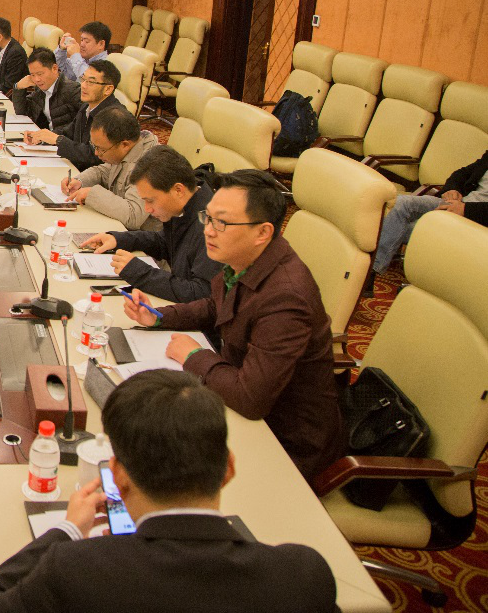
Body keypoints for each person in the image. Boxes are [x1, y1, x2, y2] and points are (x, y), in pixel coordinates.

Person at [0, 369, 336, 613]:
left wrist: (68, 530)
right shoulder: (303, 576)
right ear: (229, 468)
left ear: (118, 477)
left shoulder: (76, 569)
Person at [122, 170, 344, 481]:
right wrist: (159, 316)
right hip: (240, 402)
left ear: (262, 232)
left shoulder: (286, 298)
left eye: (222, 223)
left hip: (284, 444)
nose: (208, 232)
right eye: (208, 218)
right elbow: (216, 305)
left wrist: (194, 356)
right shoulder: (248, 260)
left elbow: (250, 399)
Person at [81, 147, 221, 302]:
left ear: (178, 190)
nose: (147, 209)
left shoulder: (210, 226)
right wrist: (118, 239)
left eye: (150, 201)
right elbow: (164, 242)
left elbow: (200, 293)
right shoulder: (184, 206)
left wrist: (139, 272)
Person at [369, 149, 488, 288]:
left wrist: (465, 210)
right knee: (401, 203)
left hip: (477, 220)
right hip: (457, 204)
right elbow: (463, 173)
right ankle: (371, 271)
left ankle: (372, 274)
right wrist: (452, 189)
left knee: (407, 227)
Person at [61, 107, 159, 231]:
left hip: (144, 237)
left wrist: (92, 194)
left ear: (124, 145)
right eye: (94, 147)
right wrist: (80, 181)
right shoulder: (127, 149)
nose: (96, 153)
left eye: (101, 149)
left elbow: (133, 216)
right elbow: (104, 171)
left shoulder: (149, 165)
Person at [23, 59, 122, 171]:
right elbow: (68, 133)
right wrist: (41, 136)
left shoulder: (114, 117)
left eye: (90, 82)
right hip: (74, 168)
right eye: (83, 79)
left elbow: (95, 156)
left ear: (108, 89)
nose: (83, 86)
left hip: (91, 176)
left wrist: (57, 140)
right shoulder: (87, 106)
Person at [9, 47, 81, 134]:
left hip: (61, 140)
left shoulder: (72, 90)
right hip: (45, 138)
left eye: (40, 74)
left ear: (54, 68)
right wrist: (18, 87)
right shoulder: (40, 90)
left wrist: (50, 136)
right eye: (32, 75)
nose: (36, 79)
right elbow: (22, 112)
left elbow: (81, 127)